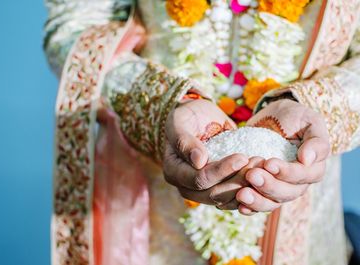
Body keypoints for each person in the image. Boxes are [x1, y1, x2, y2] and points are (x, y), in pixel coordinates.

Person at [44, 0, 360, 264]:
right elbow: (75, 29)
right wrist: (160, 104)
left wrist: (321, 106)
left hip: (311, 238)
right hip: (151, 228)